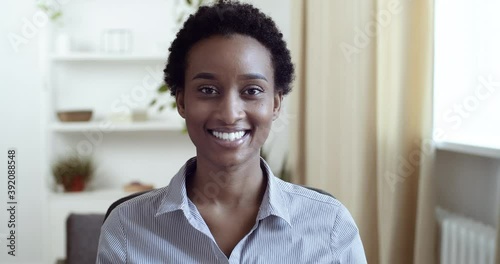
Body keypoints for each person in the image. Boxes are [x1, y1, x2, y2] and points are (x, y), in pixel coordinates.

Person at [96, 1, 367, 263]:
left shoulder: (330, 226)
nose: (229, 113)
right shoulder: (126, 229)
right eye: (207, 90)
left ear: (275, 103)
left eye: (251, 91)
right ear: (181, 102)